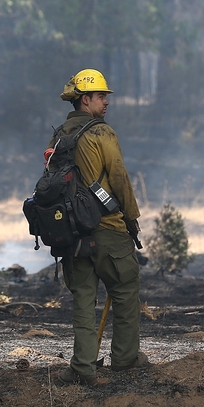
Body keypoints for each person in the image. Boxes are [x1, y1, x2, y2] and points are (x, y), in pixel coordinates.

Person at [50, 69, 147, 386]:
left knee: (82, 300)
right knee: (124, 291)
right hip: (108, 230)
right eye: (101, 96)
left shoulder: (59, 136)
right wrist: (131, 218)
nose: (106, 102)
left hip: (74, 234)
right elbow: (119, 179)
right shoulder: (102, 134)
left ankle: (82, 368)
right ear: (84, 99)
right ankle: (124, 360)